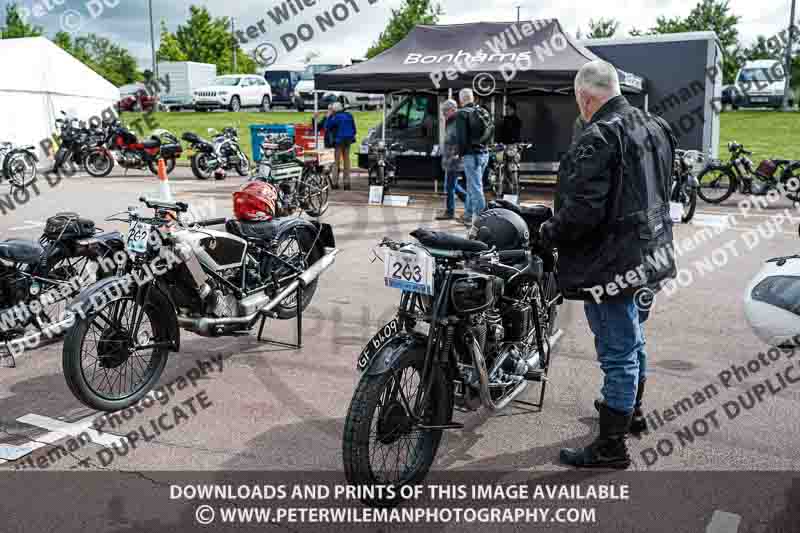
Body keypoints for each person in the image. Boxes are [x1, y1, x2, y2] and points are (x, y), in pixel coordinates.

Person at [539, 60, 677, 469]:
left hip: (613, 264)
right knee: (634, 338)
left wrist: (548, 232)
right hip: (652, 255)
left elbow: (582, 212)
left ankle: (611, 445)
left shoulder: (599, 134)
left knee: (618, 350)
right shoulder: (656, 126)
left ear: (585, 97)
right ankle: (630, 412)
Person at [455, 88, 490, 227]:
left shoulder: (461, 114)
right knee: (472, 185)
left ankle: (482, 220)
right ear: (473, 98)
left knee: (475, 188)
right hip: (484, 153)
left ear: (460, 100)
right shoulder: (483, 111)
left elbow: (461, 138)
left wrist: (460, 155)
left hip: (471, 155)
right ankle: (468, 214)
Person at [435, 99, 466, 220]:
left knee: (450, 186)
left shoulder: (456, 121)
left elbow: (459, 139)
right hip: (451, 158)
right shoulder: (451, 121)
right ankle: (470, 202)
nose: (443, 114)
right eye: (442, 111)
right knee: (452, 185)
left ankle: (450, 211)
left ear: (453, 110)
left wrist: (455, 154)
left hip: (454, 159)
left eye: (445, 111)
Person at [324, 102, 357, 190]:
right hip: (348, 140)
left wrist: (328, 117)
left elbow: (327, 126)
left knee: (336, 161)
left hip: (339, 140)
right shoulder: (349, 115)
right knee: (347, 161)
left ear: (334, 110)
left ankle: (335, 183)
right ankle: (347, 183)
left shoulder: (336, 117)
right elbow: (354, 129)